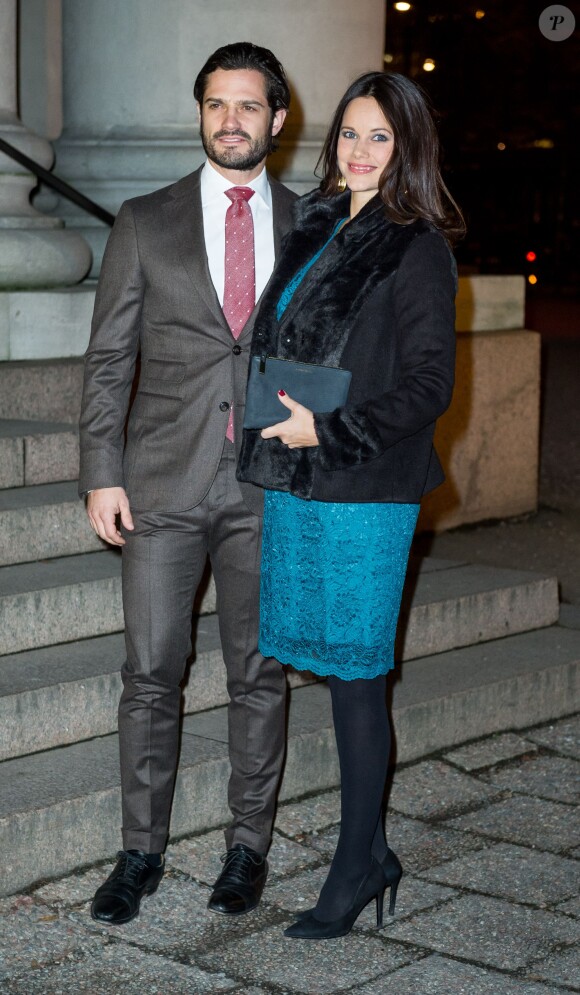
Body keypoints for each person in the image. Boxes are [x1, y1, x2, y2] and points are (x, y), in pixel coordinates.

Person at [237, 71, 464, 940]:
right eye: (349, 134)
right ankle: (369, 850)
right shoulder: (321, 223)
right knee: (335, 674)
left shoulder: (418, 245)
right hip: (301, 483)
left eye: (379, 136)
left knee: (360, 680)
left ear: (407, 146)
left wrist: (326, 430)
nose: (360, 151)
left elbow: (429, 387)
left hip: (363, 490)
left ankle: (356, 867)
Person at [78, 42, 297, 925]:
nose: (230, 120)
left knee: (260, 672)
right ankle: (140, 850)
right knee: (150, 674)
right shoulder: (143, 219)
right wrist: (101, 474)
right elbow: (107, 362)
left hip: (271, 487)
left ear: (278, 120)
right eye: (216, 104)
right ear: (201, 112)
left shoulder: (315, 219)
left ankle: (248, 846)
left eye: (248, 106)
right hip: (162, 485)